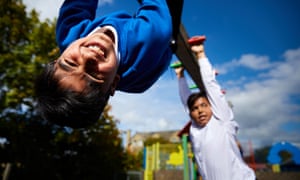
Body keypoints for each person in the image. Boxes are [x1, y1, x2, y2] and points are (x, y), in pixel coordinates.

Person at [35, 0, 180, 128]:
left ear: (58, 60)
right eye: (93, 74)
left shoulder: (69, 32)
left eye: (70, 63)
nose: (88, 57)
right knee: (166, 18)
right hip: (157, 54)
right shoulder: (150, 36)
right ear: (114, 83)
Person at [173, 38, 256, 180]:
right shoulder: (195, 128)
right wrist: (180, 76)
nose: (199, 110)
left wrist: (200, 55)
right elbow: (185, 99)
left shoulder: (221, 120)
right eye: (195, 108)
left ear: (211, 106)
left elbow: (211, 87)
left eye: (204, 105)